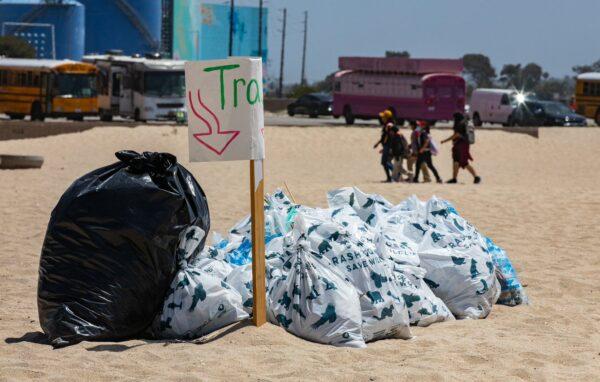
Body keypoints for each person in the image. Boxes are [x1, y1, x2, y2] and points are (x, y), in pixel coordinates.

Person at [442, 113, 481, 184]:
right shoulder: (464, 123)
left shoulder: (459, 124)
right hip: (462, 145)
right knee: (456, 161)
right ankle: (454, 179)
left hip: (461, 146)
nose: (453, 119)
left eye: (454, 118)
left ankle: (476, 177)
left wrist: (445, 140)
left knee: (464, 163)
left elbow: (456, 135)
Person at [373, 110, 394, 182]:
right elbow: (384, 137)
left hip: (388, 146)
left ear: (387, 118)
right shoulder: (386, 125)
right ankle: (391, 177)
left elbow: (389, 136)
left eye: (383, 117)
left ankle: (395, 174)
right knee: (385, 162)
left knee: (384, 162)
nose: (382, 118)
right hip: (386, 146)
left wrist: (386, 145)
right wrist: (378, 143)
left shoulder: (389, 126)